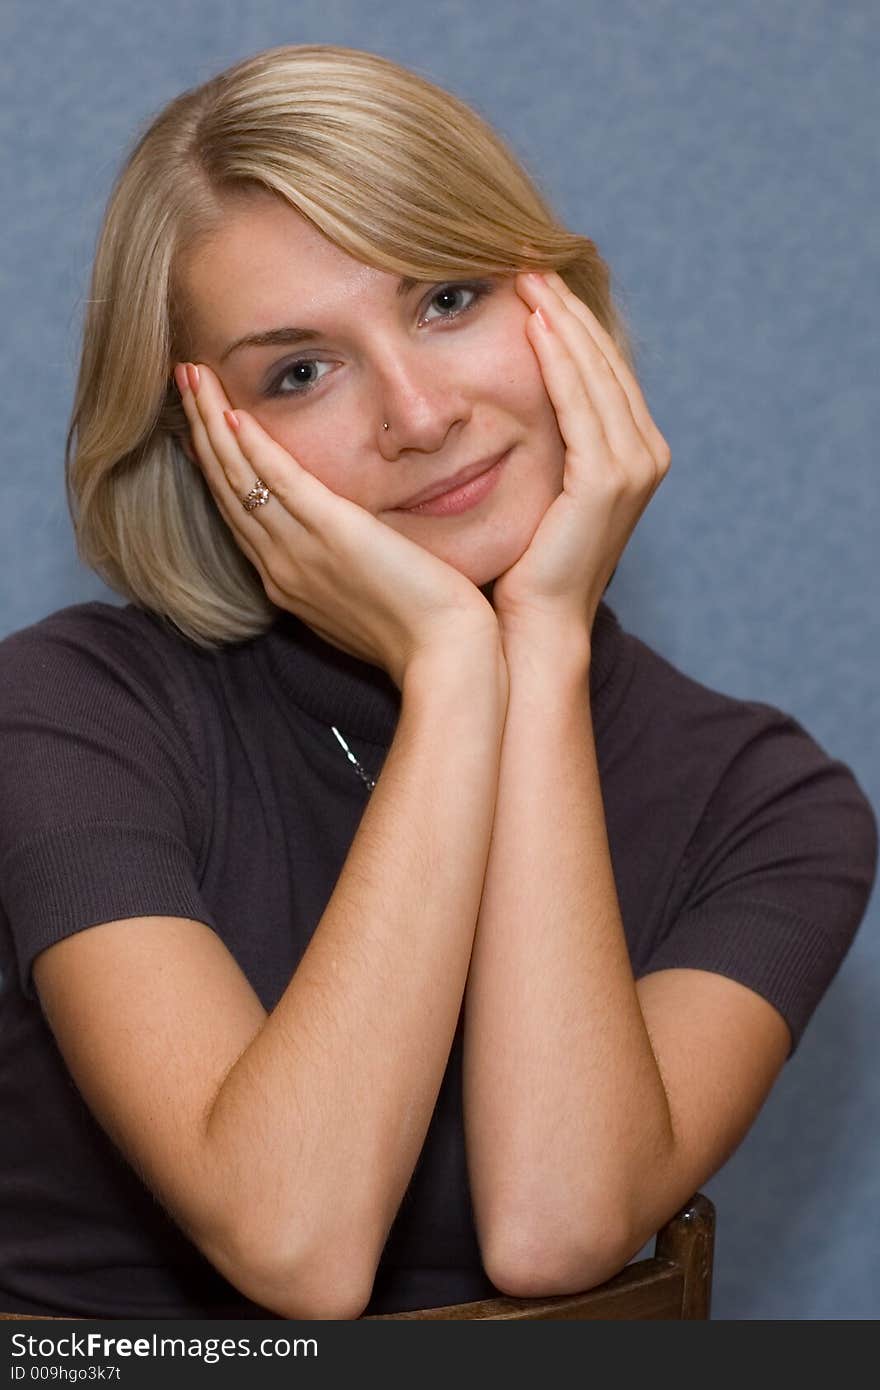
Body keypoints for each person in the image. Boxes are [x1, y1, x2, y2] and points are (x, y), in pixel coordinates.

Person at [0, 43, 876, 1322]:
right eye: (299, 372)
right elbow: (293, 1241)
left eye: (448, 298)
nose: (417, 414)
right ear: (207, 453)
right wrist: (458, 674)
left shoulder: (773, 805)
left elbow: (555, 1228)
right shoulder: (69, 714)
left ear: (557, 305)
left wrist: (541, 646)